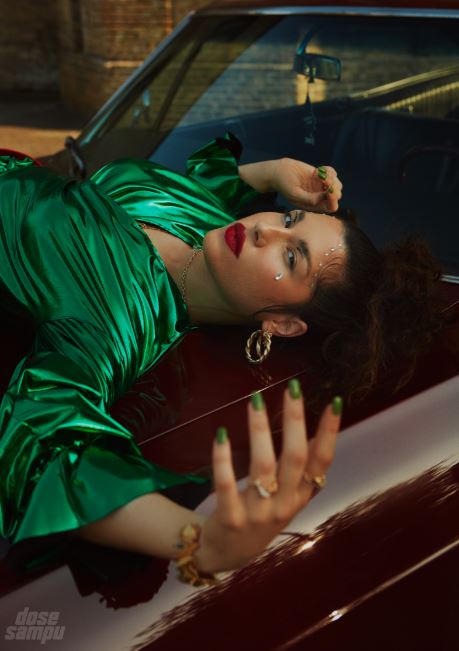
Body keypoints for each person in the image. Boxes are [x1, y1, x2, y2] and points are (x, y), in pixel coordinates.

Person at [0, 133, 441, 584]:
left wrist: (199, 540)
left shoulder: (117, 320)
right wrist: (272, 172)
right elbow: (202, 186)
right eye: (288, 218)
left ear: (284, 324)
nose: (263, 230)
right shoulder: (208, 219)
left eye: (290, 256)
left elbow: (53, 441)